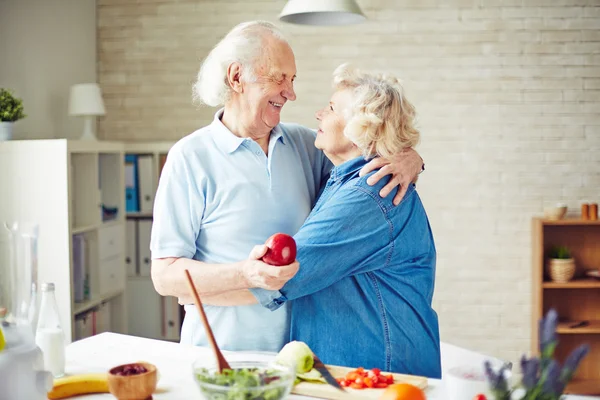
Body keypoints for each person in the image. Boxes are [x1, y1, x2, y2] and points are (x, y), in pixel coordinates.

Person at [150, 21, 425, 354]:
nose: (291, 93)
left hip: (298, 356)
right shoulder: (190, 157)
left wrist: (409, 157)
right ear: (237, 77)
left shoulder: (305, 144)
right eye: (279, 77)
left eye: (292, 80)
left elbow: (364, 154)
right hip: (220, 354)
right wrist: (245, 273)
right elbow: (165, 276)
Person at [203, 64, 441, 378]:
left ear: (362, 128)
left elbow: (280, 277)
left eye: (331, 108)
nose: (319, 114)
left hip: (383, 377)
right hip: (366, 372)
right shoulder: (343, 179)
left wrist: (193, 291)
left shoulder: (368, 195)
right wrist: (412, 156)